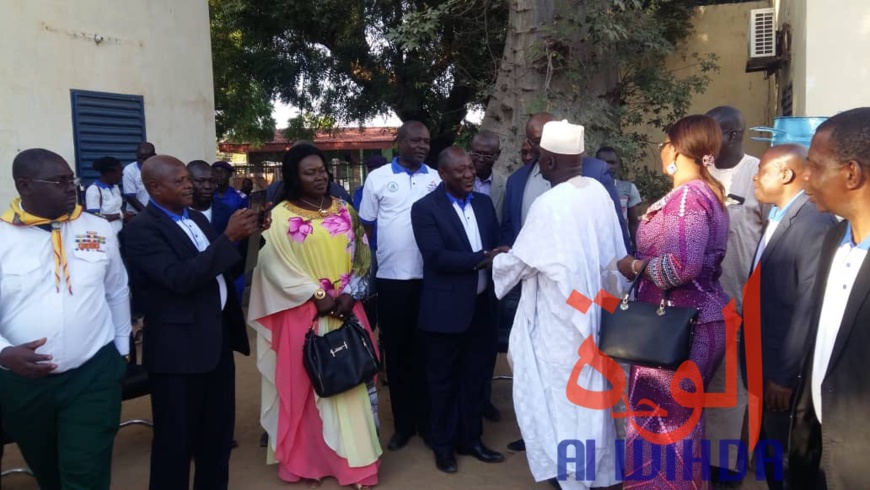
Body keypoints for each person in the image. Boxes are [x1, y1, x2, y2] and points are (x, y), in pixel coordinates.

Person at [493, 120, 626, 489]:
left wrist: (496, 261)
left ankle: (571, 476)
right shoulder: (598, 192)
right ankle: (600, 472)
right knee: (594, 396)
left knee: (562, 399)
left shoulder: (548, 204)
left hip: (561, 323)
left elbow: (519, 263)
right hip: (598, 315)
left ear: (547, 161)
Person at [248, 143, 381, 489]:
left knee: (351, 382)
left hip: (348, 311)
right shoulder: (278, 218)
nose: (320, 177)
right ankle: (309, 462)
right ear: (294, 176)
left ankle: (355, 466)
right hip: (303, 314)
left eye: (322, 170)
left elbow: (364, 257)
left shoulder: (345, 210)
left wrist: (352, 292)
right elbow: (272, 266)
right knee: (309, 388)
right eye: (310, 172)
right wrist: (317, 294)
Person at [124, 155, 260, 490]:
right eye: (180, 180)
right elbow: (178, 279)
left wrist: (247, 237)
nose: (189, 186)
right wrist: (228, 239)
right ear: (154, 187)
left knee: (216, 440)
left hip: (215, 343)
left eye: (189, 179)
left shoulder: (197, 219)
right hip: (178, 354)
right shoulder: (141, 230)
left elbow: (220, 268)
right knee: (175, 444)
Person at [0, 149, 130, 490]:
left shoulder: (98, 227)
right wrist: (3, 353)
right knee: (48, 471)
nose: (71, 187)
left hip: (93, 374)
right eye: (59, 182)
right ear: (25, 185)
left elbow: (117, 290)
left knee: (85, 473)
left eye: (71, 179)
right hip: (23, 384)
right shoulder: (2, 236)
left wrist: (119, 351)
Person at [616, 114, 730, 486]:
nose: (662, 149)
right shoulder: (707, 193)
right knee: (679, 420)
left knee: (662, 423)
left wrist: (633, 265)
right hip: (695, 321)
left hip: (675, 328)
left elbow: (682, 266)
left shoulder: (686, 199)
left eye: (665, 142)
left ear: (676, 150)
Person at [746, 144, 837, 490]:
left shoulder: (812, 222)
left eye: (762, 171)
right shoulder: (779, 215)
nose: (754, 177)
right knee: (772, 452)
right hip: (764, 362)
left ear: (785, 174)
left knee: (789, 464)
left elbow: (808, 304)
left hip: (784, 377)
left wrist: (784, 376)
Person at [789, 107, 870, 490]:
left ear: (851, 174)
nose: (806, 176)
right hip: (817, 451)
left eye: (815, 166)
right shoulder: (834, 241)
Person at [411, 147, 505, 473]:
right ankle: (443, 446)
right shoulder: (424, 209)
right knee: (443, 382)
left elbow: (495, 244)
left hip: (481, 307)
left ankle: (472, 440)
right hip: (445, 311)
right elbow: (436, 257)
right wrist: (484, 256)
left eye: (470, 169)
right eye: (460, 171)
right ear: (442, 175)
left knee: (475, 378)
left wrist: (497, 255)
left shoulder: (482, 203)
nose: (469, 175)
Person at [359, 120, 441, 451]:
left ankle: (426, 422)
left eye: (427, 141)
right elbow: (365, 229)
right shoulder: (378, 178)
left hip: (430, 280)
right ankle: (404, 424)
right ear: (400, 141)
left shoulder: (435, 178)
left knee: (426, 352)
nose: (422, 146)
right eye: (416, 141)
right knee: (396, 352)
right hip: (391, 280)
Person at [703, 105, 764, 477]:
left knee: (737, 387)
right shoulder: (701, 173)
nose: (708, 144)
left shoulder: (758, 174)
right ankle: (706, 458)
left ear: (735, 135)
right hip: (701, 303)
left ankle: (727, 465)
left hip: (743, 302)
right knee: (706, 384)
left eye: (715, 134)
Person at [596, 146, 642, 248]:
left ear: (618, 164)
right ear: (596, 164)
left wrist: (638, 249)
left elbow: (633, 223)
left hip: (623, 247)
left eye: (612, 162)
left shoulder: (628, 188)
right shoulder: (588, 190)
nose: (608, 166)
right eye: (604, 162)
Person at [188, 160, 236, 234]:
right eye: (200, 181)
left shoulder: (227, 212)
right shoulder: (175, 213)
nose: (207, 186)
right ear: (187, 182)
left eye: (212, 181)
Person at [470, 131, 507, 225]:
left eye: (487, 155)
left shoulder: (506, 185)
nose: (481, 159)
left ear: (497, 155)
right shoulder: (457, 181)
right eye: (477, 153)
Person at [85, 156, 126, 234]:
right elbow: (94, 216)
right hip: (104, 234)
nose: (122, 175)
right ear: (109, 173)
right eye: (119, 172)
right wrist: (120, 216)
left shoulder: (115, 187)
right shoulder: (94, 190)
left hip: (118, 232)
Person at [122, 141, 156, 215]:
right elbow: (130, 197)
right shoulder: (129, 170)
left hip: (156, 214)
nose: (142, 161)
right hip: (137, 214)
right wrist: (148, 214)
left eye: (145, 158)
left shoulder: (159, 169)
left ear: (154, 156)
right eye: (140, 158)